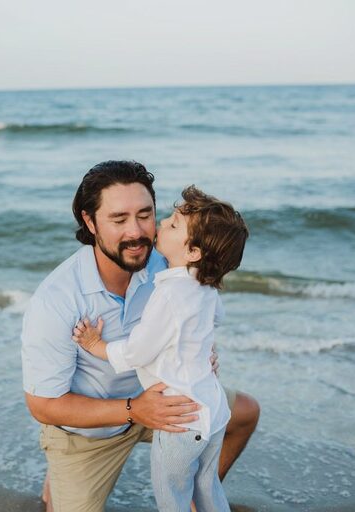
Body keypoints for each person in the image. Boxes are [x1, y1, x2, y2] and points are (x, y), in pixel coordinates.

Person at [21, 161, 260, 512]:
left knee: (244, 412)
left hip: (168, 399)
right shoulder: (55, 300)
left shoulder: (170, 263)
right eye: (118, 220)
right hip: (92, 430)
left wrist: (203, 350)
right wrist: (135, 409)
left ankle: (196, 495)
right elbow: (42, 405)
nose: (137, 231)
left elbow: (202, 311)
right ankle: (59, 476)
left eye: (146, 214)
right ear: (90, 222)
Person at [72, 185, 248, 512]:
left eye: (174, 224)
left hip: (181, 418)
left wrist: (96, 345)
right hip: (213, 409)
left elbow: (137, 352)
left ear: (193, 251)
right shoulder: (206, 289)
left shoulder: (168, 294)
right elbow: (214, 321)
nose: (162, 224)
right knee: (207, 489)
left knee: (173, 498)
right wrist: (200, 349)